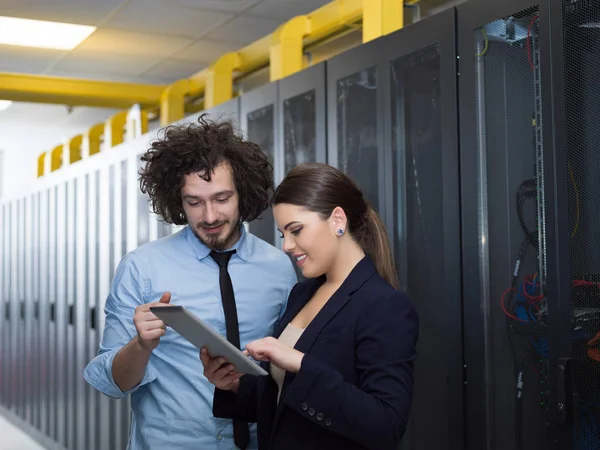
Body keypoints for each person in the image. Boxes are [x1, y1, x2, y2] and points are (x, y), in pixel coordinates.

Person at [83, 114, 297, 450]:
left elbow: (289, 372)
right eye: (194, 202)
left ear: (243, 192)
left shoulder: (279, 267)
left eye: (222, 198)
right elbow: (112, 383)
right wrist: (141, 345)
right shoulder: (142, 267)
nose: (209, 216)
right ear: (177, 201)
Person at [201, 162, 419, 450]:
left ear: (337, 220)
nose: (287, 246)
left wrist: (300, 363)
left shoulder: (384, 306)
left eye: (296, 230)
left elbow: (385, 425)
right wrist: (234, 385)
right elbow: (285, 401)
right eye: (283, 234)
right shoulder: (302, 294)